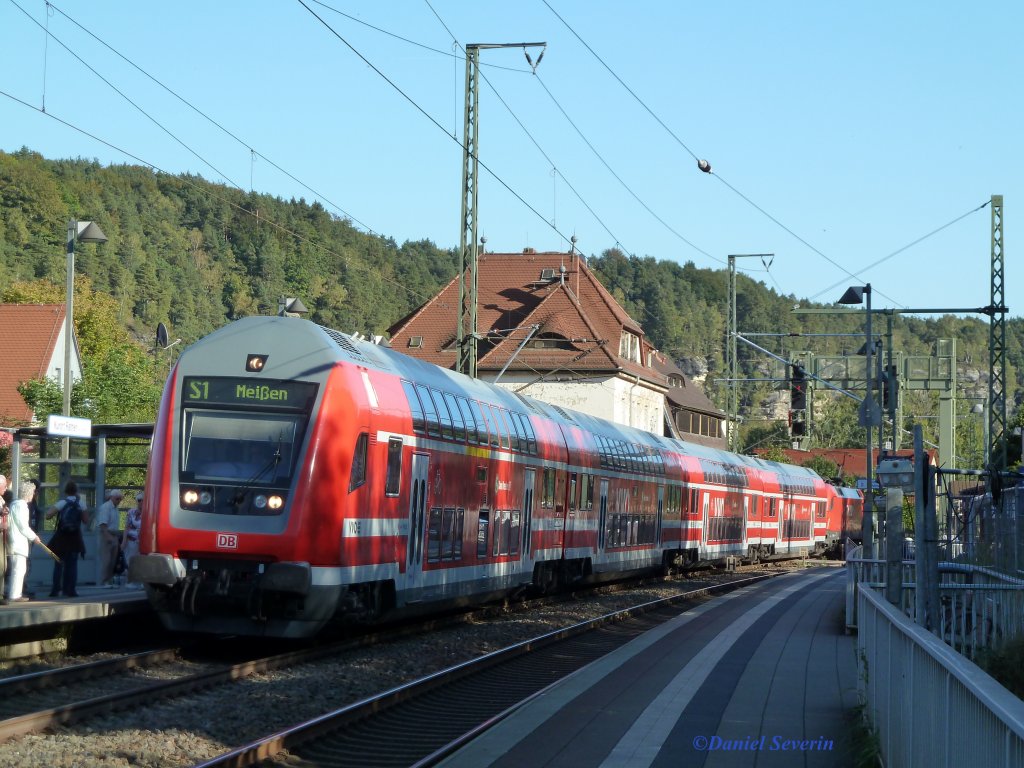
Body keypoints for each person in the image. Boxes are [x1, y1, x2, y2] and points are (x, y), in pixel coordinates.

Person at [45, 481, 90, 598]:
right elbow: (86, 520)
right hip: (75, 538)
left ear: (65, 491)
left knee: (58, 564)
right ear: (76, 491)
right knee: (72, 565)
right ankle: (70, 590)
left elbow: (48, 515)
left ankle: (55, 590)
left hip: (61, 538)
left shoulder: (62, 503)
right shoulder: (81, 504)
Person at [6, 481, 41, 602]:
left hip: (13, 541)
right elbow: (23, 526)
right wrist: (34, 537)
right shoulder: (22, 506)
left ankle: (14, 593)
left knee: (18, 568)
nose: (33, 495)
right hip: (18, 542)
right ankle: (15, 595)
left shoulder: (14, 504)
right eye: (32, 493)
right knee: (19, 569)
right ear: (28, 493)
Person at [95, 489, 123, 588]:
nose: (119, 501)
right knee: (106, 560)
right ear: (111, 497)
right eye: (117, 498)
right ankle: (103, 581)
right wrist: (108, 537)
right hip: (106, 535)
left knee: (113, 560)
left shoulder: (115, 509)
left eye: (120, 499)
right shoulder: (106, 508)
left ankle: (109, 580)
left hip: (114, 535)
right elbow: (103, 524)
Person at [121, 492, 144, 589]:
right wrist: (124, 541)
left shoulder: (149, 512)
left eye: (142, 500)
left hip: (142, 541)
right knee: (130, 561)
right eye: (139, 500)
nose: (141, 502)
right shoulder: (131, 512)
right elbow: (126, 527)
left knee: (142, 562)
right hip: (131, 541)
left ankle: (142, 582)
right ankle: (132, 581)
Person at [0, 474, 8, 606]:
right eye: (4, 486)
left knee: (3, 566)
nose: (6, 489)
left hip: (2, 536)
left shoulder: (1, 500)